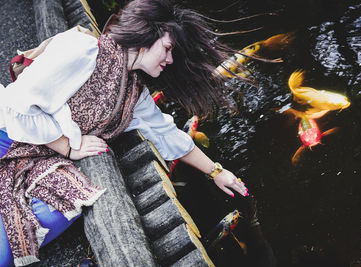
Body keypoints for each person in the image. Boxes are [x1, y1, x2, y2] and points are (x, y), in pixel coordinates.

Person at [0, 0, 248, 266]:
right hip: (8, 137)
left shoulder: (134, 94)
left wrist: (216, 171)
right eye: (167, 48)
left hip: (39, 159)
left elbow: (168, 135)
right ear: (145, 35)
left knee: (58, 211)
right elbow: (17, 105)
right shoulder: (82, 50)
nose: (170, 59)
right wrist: (67, 146)